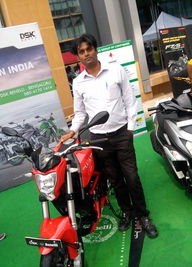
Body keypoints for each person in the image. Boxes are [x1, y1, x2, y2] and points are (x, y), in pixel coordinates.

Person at [60, 33, 158, 238]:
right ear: (78, 56)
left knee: (131, 177)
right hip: (98, 139)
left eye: (89, 49)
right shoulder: (78, 83)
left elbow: (130, 99)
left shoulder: (115, 70)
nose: (86, 54)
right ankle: (127, 212)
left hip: (122, 133)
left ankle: (143, 215)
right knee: (115, 179)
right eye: (82, 51)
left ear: (96, 49)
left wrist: (131, 127)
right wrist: (72, 130)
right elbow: (80, 113)